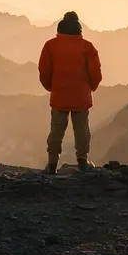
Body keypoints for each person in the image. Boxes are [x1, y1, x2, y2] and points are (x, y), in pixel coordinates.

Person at [38, 10, 103, 174]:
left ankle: (52, 164)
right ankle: (82, 162)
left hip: (59, 95)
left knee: (56, 131)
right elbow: (96, 73)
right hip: (81, 96)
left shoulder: (50, 46)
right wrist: (90, 88)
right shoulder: (87, 47)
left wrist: (51, 87)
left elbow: (44, 71)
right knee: (81, 130)